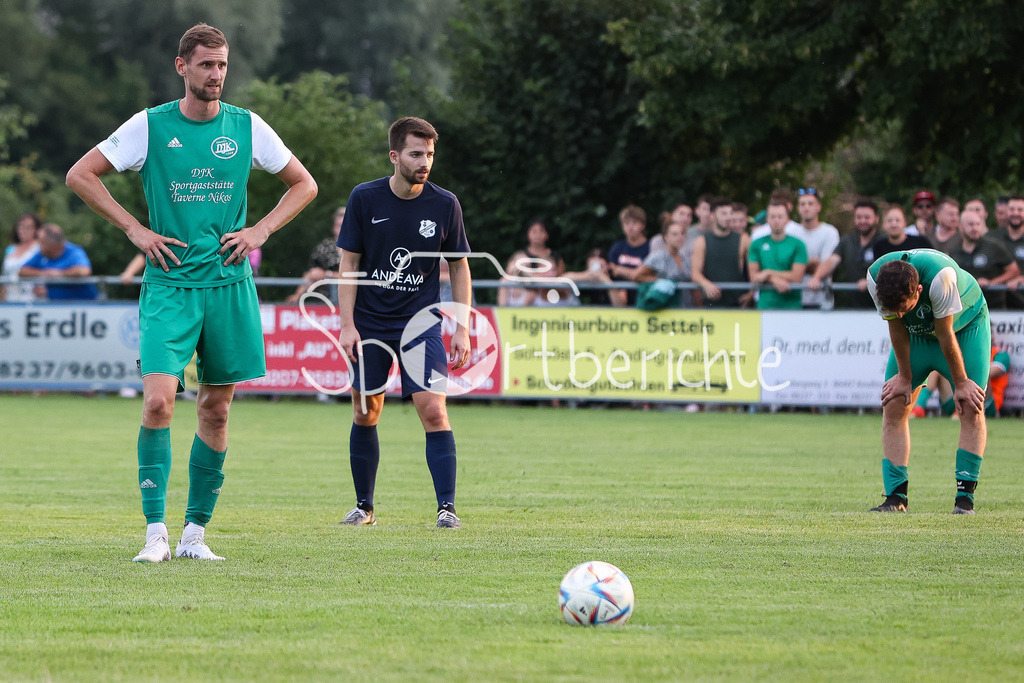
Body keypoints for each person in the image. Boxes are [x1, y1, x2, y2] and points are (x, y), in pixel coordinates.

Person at [65, 23, 318, 562]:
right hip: (170, 286)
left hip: (229, 285)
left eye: (223, 64)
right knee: (158, 402)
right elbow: (81, 175)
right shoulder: (149, 126)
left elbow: (305, 183)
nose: (217, 74)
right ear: (182, 67)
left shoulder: (247, 127)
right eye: (206, 65)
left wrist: (260, 231)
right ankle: (154, 535)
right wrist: (134, 229)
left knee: (217, 411)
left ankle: (194, 536)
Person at [336, 116, 471, 530]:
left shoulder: (445, 203)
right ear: (395, 156)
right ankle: (364, 507)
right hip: (370, 324)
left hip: (421, 325)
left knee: (433, 410)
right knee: (365, 411)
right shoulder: (365, 198)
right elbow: (350, 263)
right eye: (415, 153)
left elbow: (460, 266)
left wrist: (462, 326)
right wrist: (346, 324)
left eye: (429, 153)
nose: (424, 161)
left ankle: (446, 509)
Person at [866, 249, 989, 514]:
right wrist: (905, 378)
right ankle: (896, 498)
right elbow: (896, 325)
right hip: (917, 336)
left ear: (919, 290)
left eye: (904, 308)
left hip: (964, 328)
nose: (899, 314)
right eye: (893, 309)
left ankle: (964, 500)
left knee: (970, 404)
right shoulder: (875, 278)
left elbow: (944, 333)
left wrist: (962, 382)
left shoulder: (940, 278)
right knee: (895, 402)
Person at [808, 200, 882, 309]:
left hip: (879, 306)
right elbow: (833, 260)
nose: (862, 221)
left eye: (867, 217)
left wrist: (871, 282)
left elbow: (889, 268)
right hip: (852, 306)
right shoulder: (847, 240)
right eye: (859, 217)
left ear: (876, 218)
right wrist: (816, 277)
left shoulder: (883, 240)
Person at [948, 210, 1018, 310]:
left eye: (978, 224)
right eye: (971, 224)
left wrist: (991, 283)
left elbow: (1014, 271)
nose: (975, 228)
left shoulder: (994, 246)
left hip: (994, 308)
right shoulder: (953, 251)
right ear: (961, 227)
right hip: (965, 309)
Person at [498, 218, 573, 306]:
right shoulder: (519, 256)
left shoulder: (555, 256)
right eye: (534, 231)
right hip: (524, 295)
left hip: (548, 297)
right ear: (528, 234)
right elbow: (509, 275)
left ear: (547, 234)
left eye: (541, 231)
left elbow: (560, 279)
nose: (538, 235)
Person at [747, 200, 807, 309]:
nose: (776, 221)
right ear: (767, 219)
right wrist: (772, 279)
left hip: (792, 306)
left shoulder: (798, 245)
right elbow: (754, 277)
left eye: (780, 216)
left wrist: (767, 273)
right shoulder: (756, 244)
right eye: (772, 217)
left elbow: (797, 277)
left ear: (787, 219)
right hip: (765, 306)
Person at [691, 198, 750, 308]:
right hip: (711, 303)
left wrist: (751, 294)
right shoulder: (701, 241)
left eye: (730, 213)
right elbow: (695, 273)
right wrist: (706, 284)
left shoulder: (743, 239)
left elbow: (755, 269)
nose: (728, 217)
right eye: (723, 213)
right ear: (712, 215)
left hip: (738, 304)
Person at [19, 223, 99, 300]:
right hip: (57, 306)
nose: (39, 246)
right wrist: (44, 274)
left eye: (42, 242)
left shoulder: (74, 251)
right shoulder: (41, 254)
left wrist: (59, 274)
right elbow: (22, 271)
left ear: (51, 243)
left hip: (84, 305)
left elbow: (84, 271)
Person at [286, 206, 346, 304]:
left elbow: (357, 275)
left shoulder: (357, 247)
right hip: (326, 298)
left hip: (351, 296)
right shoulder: (325, 247)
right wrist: (297, 295)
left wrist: (328, 275)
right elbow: (312, 273)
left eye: (343, 225)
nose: (340, 229)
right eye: (337, 225)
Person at [791, 188, 839, 309]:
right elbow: (786, 266)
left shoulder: (830, 232)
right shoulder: (791, 232)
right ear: (798, 208)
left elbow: (828, 265)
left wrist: (799, 266)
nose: (806, 207)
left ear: (819, 207)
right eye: (802, 204)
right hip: (794, 299)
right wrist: (812, 262)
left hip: (822, 299)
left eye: (810, 203)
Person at [633, 221, 692, 307]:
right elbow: (638, 276)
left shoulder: (686, 258)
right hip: (664, 308)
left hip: (686, 307)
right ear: (666, 237)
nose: (679, 237)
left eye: (682, 234)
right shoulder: (658, 257)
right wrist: (661, 281)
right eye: (674, 234)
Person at [607, 205, 650, 307]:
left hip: (644, 298)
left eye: (634, 223)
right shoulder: (617, 247)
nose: (630, 227)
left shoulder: (650, 247)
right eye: (626, 223)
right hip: (620, 299)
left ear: (642, 225)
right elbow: (611, 271)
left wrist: (620, 270)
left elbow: (647, 275)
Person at [991, 194, 1024, 309]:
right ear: (1006, 212)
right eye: (1012, 209)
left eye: (1020, 210)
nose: (1016, 213)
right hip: (998, 306)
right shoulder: (992, 238)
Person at [1, 213, 41, 301]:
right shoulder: (10, 249)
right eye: (21, 226)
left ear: (36, 230)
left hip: (31, 296)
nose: (24, 230)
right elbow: (5, 275)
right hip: (11, 297)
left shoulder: (39, 248)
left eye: (29, 227)